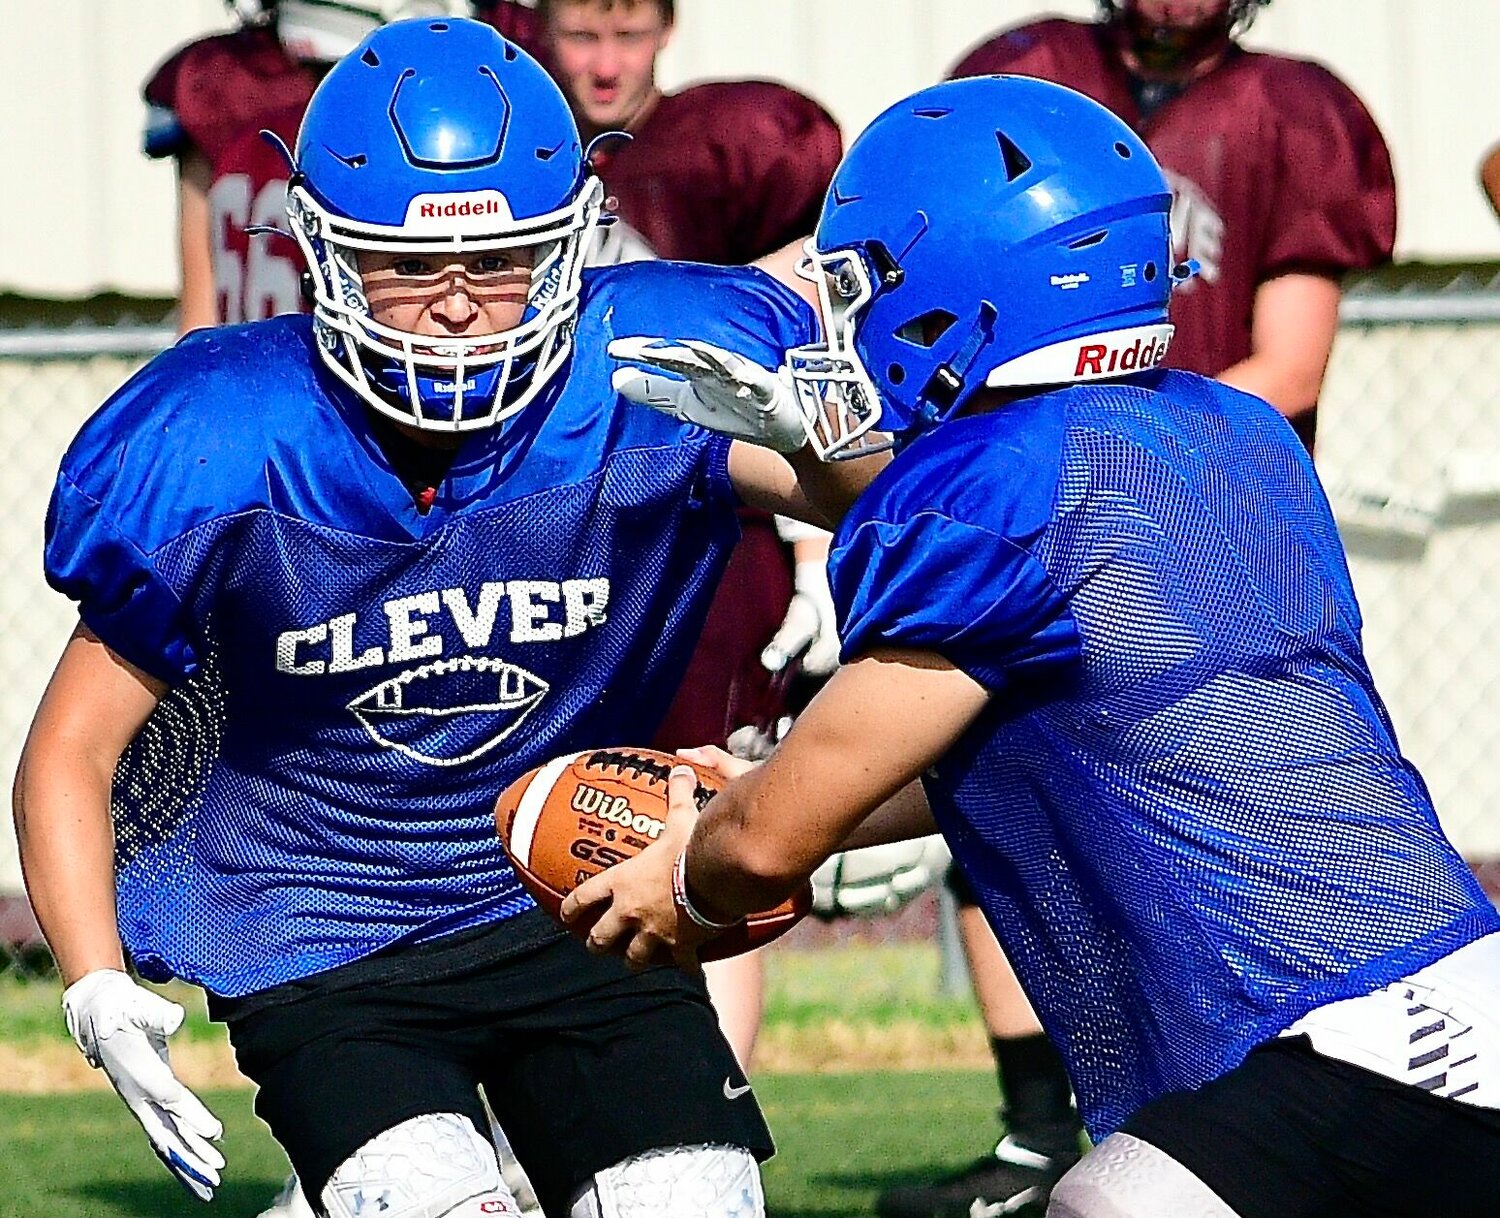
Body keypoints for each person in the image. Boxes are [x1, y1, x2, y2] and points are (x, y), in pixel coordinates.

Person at [562, 75, 1500, 1218]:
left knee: (1112, 1205)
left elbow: (766, 849)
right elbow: (1067, 721)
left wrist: (695, 866)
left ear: (960, 296)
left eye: (869, 288)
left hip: (1323, 1027)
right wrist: (752, 785)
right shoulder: (1234, 430)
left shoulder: (983, 496)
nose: (853, 324)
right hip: (1455, 991)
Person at [19, 18, 872, 1218]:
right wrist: (95, 984)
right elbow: (71, 746)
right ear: (324, 252)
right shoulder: (221, 431)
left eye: (502, 259)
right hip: (320, 924)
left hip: (574, 887)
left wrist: (824, 468)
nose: (459, 307)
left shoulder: (646, 368)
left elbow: (911, 517)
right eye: (410, 266)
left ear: (570, 242)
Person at [869, 5, 1401, 1209]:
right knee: (1009, 782)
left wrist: (1125, 461)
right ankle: (1041, 1129)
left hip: (1207, 532)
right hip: (1041, 497)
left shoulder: (1292, 108)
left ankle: (1247, 1119)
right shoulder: (1026, 76)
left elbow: (1292, 366)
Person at [536, 0, 846, 1066]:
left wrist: (817, 559)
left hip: (703, 535)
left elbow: (804, 366)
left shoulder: (730, 151)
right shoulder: (511, 156)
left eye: (627, 34)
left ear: (668, 29)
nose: (606, 62)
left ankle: (709, 1100)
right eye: (583, 34)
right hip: (547, 532)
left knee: (702, 806)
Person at [142, 1, 537, 332]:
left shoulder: (220, 83)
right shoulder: (366, 132)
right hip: (336, 384)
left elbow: (195, 325)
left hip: (253, 382)